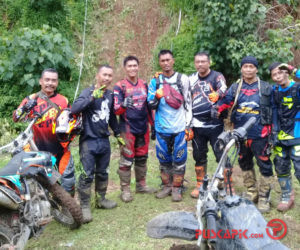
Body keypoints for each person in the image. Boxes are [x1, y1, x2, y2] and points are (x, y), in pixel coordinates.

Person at [214, 56, 273, 212]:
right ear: (241, 69)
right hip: (240, 133)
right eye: (245, 66)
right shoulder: (235, 87)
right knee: (244, 162)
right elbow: (225, 101)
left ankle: (264, 197)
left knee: (264, 165)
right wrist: (217, 108)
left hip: (260, 133)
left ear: (256, 69)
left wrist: (274, 131)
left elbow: (274, 109)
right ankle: (251, 192)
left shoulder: (266, 88)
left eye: (251, 66)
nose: (248, 69)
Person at [71, 65, 124, 223]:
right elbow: (74, 109)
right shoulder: (87, 92)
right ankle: (85, 205)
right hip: (88, 140)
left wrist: (118, 133)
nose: (107, 78)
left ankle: (101, 199)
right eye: (104, 75)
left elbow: (112, 116)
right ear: (97, 76)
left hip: (104, 140)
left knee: (103, 172)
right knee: (87, 174)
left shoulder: (110, 94)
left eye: (110, 75)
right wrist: (92, 97)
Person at [13, 68, 75, 195]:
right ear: (40, 81)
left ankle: (69, 209)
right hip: (38, 149)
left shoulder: (63, 100)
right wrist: (25, 107)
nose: (50, 83)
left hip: (60, 149)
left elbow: (72, 120)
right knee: (42, 183)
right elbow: (16, 118)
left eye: (53, 80)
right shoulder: (31, 98)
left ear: (57, 83)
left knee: (68, 182)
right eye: (47, 80)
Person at [147, 49, 192, 202]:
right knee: (163, 159)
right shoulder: (155, 81)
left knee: (180, 158)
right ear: (159, 63)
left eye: (168, 60)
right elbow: (151, 104)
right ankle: (166, 186)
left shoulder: (182, 79)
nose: (166, 63)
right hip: (161, 128)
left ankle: (177, 189)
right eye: (162, 61)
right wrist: (158, 96)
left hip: (179, 127)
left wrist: (188, 125)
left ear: (173, 61)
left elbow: (188, 103)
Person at [113, 56, 156, 202]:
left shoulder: (144, 84)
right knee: (126, 160)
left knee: (142, 158)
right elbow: (116, 109)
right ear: (125, 68)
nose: (132, 68)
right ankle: (125, 190)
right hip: (127, 128)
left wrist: (153, 125)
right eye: (129, 66)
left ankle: (141, 185)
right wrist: (124, 105)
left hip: (143, 127)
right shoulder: (120, 86)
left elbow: (149, 107)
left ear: (138, 67)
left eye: (134, 65)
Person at [188, 52, 227, 198]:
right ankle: (200, 185)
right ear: (194, 63)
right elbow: (184, 94)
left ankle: (225, 184)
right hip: (197, 125)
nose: (200, 64)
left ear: (209, 62)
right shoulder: (191, 78)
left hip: (215, 124)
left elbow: (224, 88)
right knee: (198, 155)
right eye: (197, 62)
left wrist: (218, 94)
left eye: (203, 61)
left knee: (221, 154)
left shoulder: (217, 76)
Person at [269, 62, 300, 212]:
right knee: (281, 167)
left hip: (297, 135)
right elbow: (273, 110)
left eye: (280, 73)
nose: (277, 77)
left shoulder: (296, 88)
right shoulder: (274, 90)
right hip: (280, 136)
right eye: (274, 75)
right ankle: (287, 197)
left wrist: (294, 70)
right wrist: (273, 132)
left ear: (286, 72)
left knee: (299, 169)